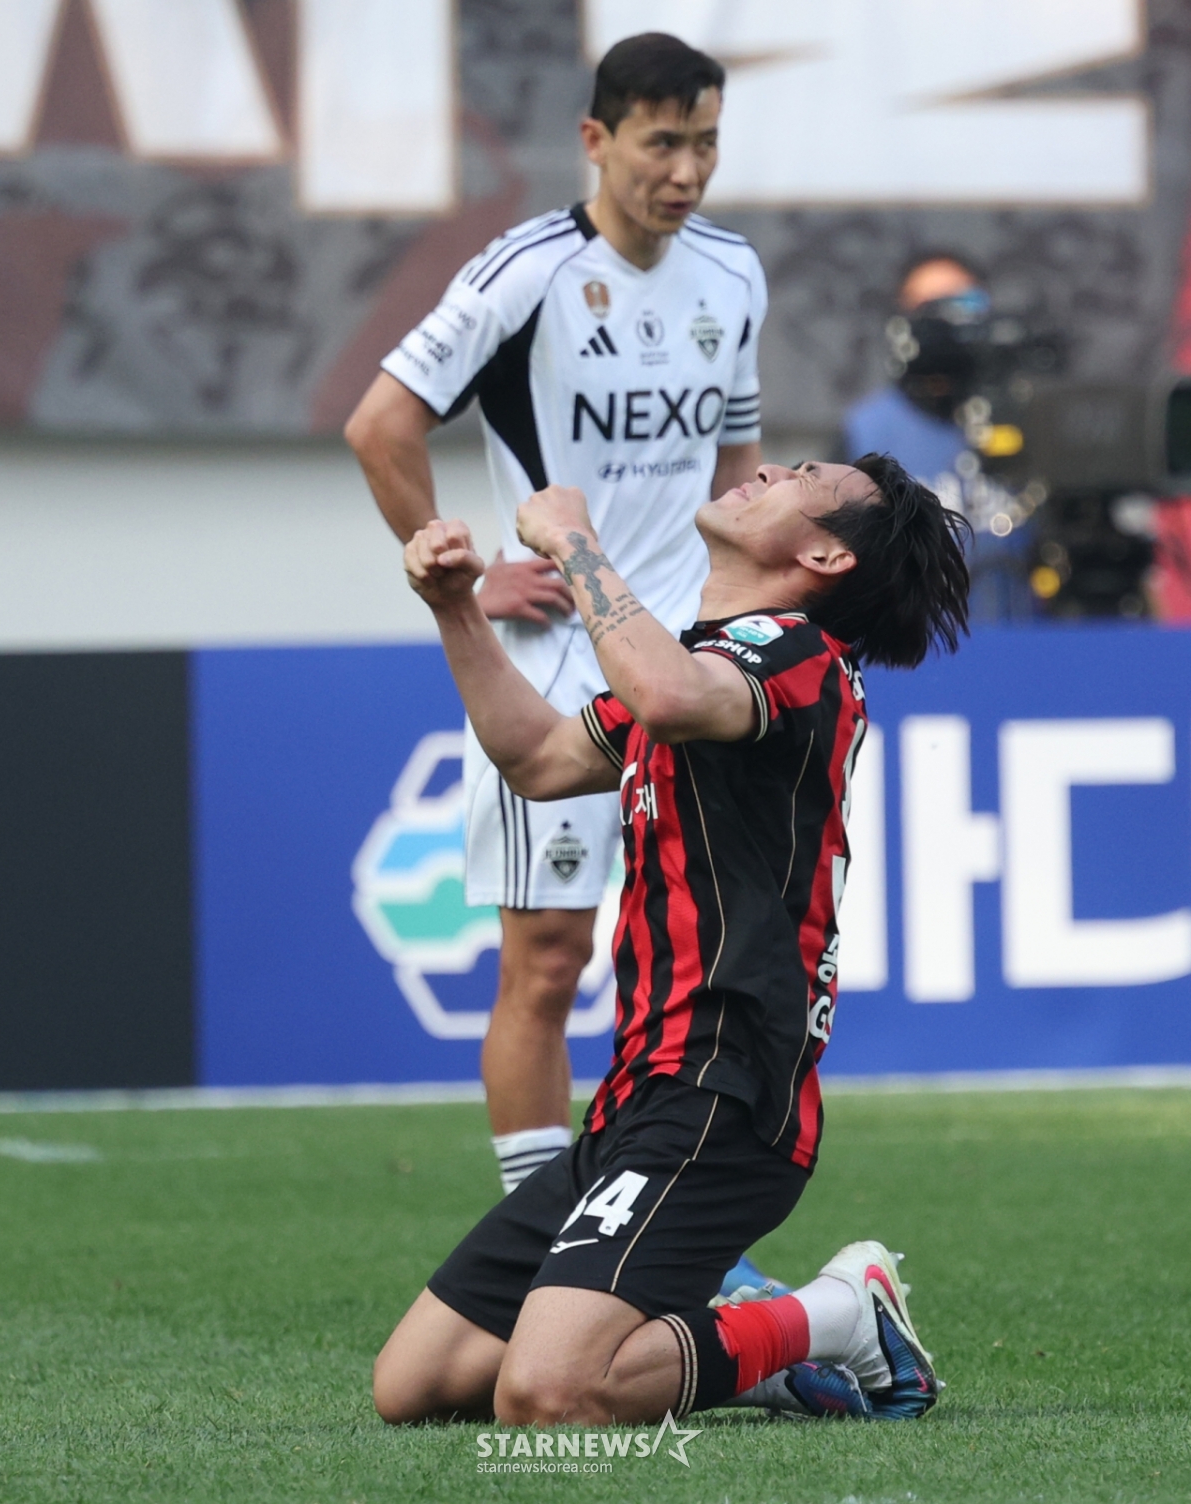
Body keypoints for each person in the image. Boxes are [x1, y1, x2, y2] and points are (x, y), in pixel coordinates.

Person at [372, 451, 970, 1427]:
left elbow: (670, 696)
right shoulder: (703, 663)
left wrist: (574, 542)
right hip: (639, 1094)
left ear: (824, 556)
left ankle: (831, 1315)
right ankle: (745, 1353)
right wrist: (455, 609)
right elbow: (537, 757)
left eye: (802, 475)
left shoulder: (795, 653)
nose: (766, 466)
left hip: (722, 1092)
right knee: (415, 1387)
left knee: (549, 1394)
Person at [346, 32, 767, 1198]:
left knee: (702, 964)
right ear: (596, 139)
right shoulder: (524, 273)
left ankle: (677, 1224)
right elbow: (380, 425)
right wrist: (466, 573)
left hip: (686, 662)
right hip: (556, 665)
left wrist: (748, 617)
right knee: (546, 962)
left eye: (706, 143)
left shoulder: (733, 274)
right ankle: (537, 1236)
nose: (686, 170)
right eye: (662, 142)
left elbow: (736, 468)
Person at [844, 253, 1034, 622]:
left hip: (1026, 637)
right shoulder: (867, 431)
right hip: (915, 642)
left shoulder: (1031, 417)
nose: (950, 320)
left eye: (963, 302)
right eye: (930, 308)